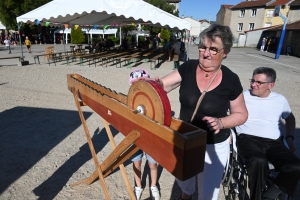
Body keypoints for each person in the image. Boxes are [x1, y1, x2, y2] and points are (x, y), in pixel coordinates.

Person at [138, 24, 248, 200]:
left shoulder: (231, 80)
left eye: (213, 49)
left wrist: (222, 122)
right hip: (185, 139)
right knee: (185, 179)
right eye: (203, 47)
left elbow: (241, 114)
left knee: (208, 190)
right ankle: (186, 196)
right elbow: (164, 85)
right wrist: (150, 84)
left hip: (213, 144)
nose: (206, 53)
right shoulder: (188, 67)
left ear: (225, 52)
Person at [235, 67, 300, 200]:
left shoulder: (280, 99)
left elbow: (289, 118)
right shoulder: (242, 96)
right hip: (247, 139)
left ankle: (267, 196)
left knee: (295, 166)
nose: (253, 84)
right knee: (259, 161)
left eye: (258, 82)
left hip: (273, 142)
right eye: (252, 80)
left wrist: (289, 138)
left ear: (271, 85)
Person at [129, 69, 160, 200]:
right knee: (137, 163)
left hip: (150, 137)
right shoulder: (130, 99)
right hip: (135, 136)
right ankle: (138, 185)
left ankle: (153, 185)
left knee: (152, 164)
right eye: (136, 84)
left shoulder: (153, 99)